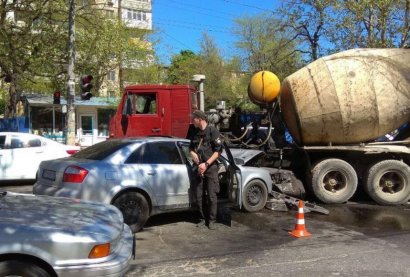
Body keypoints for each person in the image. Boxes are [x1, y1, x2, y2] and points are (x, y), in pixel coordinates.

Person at [188, 110, 223, 230]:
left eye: (194, 118)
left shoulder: (213, 131)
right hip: (199, 168)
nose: (192, 121)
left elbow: (218, 152)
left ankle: (212, 221)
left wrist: (206, 164)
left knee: (212, 196)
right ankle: (202, 219)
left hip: (210, 168)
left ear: (200, 119)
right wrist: (193, 154)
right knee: (199, 195)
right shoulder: (194, 132)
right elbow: (190, 148)